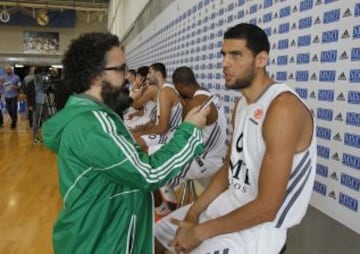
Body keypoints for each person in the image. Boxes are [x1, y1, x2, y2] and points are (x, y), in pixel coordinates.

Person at [41, 32, 210, 254]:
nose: (128, 77)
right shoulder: (93, 125)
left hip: (105, 235)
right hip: (100, 244)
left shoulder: (92, 117)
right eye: (120, 69)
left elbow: (124, 186)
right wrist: (190, 130)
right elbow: (149, 174)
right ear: (95, 76)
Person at [155, 23, 316, 254]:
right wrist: (193, 214)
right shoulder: (241, 105)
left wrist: (200, 232)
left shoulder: (283, 108)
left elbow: (268, 207)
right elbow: (227, 170)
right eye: (224, 54)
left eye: (236, 55)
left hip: (260, 230)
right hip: (227, 206)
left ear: (261, 60)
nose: (225, 63)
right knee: (151, 240)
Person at [155, 66, 228, 219]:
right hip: (213, 157)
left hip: (203, 161)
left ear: (180, 86)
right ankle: (171, 198)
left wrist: (183, 104)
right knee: (155, 152)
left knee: (154, 166)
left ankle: (166, 208)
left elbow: (183, 137)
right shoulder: (210, 95)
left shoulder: (195, 103)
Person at [131, 63, 183, 154]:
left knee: (132, 144)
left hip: (170, 136)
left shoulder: (165, 92)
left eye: (150, 73)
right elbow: (158, 119)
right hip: (164, 133)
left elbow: (163, 128)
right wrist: (143, 127)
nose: (147, 76)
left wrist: (141, 132)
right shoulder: (163, 90)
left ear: (158, 74)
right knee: (131, 136)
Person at [26, 67, 50, 143]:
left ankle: (46, 137)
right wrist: (29, 105)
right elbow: (28, 95)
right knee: (36, 122)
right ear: (36, 75)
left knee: (46, 122)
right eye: (41, 75)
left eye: (44, 75)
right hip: (36, 104)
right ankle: (35, 138)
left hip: (46, 104)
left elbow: (51, 91)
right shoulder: (30, 83)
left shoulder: (46, 82)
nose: (42, 76)